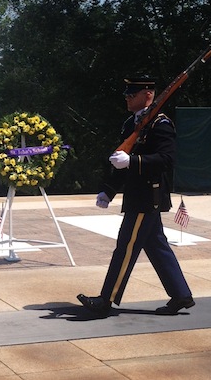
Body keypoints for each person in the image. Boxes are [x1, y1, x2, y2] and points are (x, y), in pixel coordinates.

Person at [77, 77, 194, 317]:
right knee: (157, 246)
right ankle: (181, 295)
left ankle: (105, 300)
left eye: (133, 94)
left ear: (148, 95)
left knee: (125, 248)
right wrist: (108, 190)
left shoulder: (160, 124)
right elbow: (122, 159)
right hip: (136, 195)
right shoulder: (132, 123)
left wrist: (133, 161)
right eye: (127, 94)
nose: (127, 98)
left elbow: (167, 159)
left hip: (147, 197)